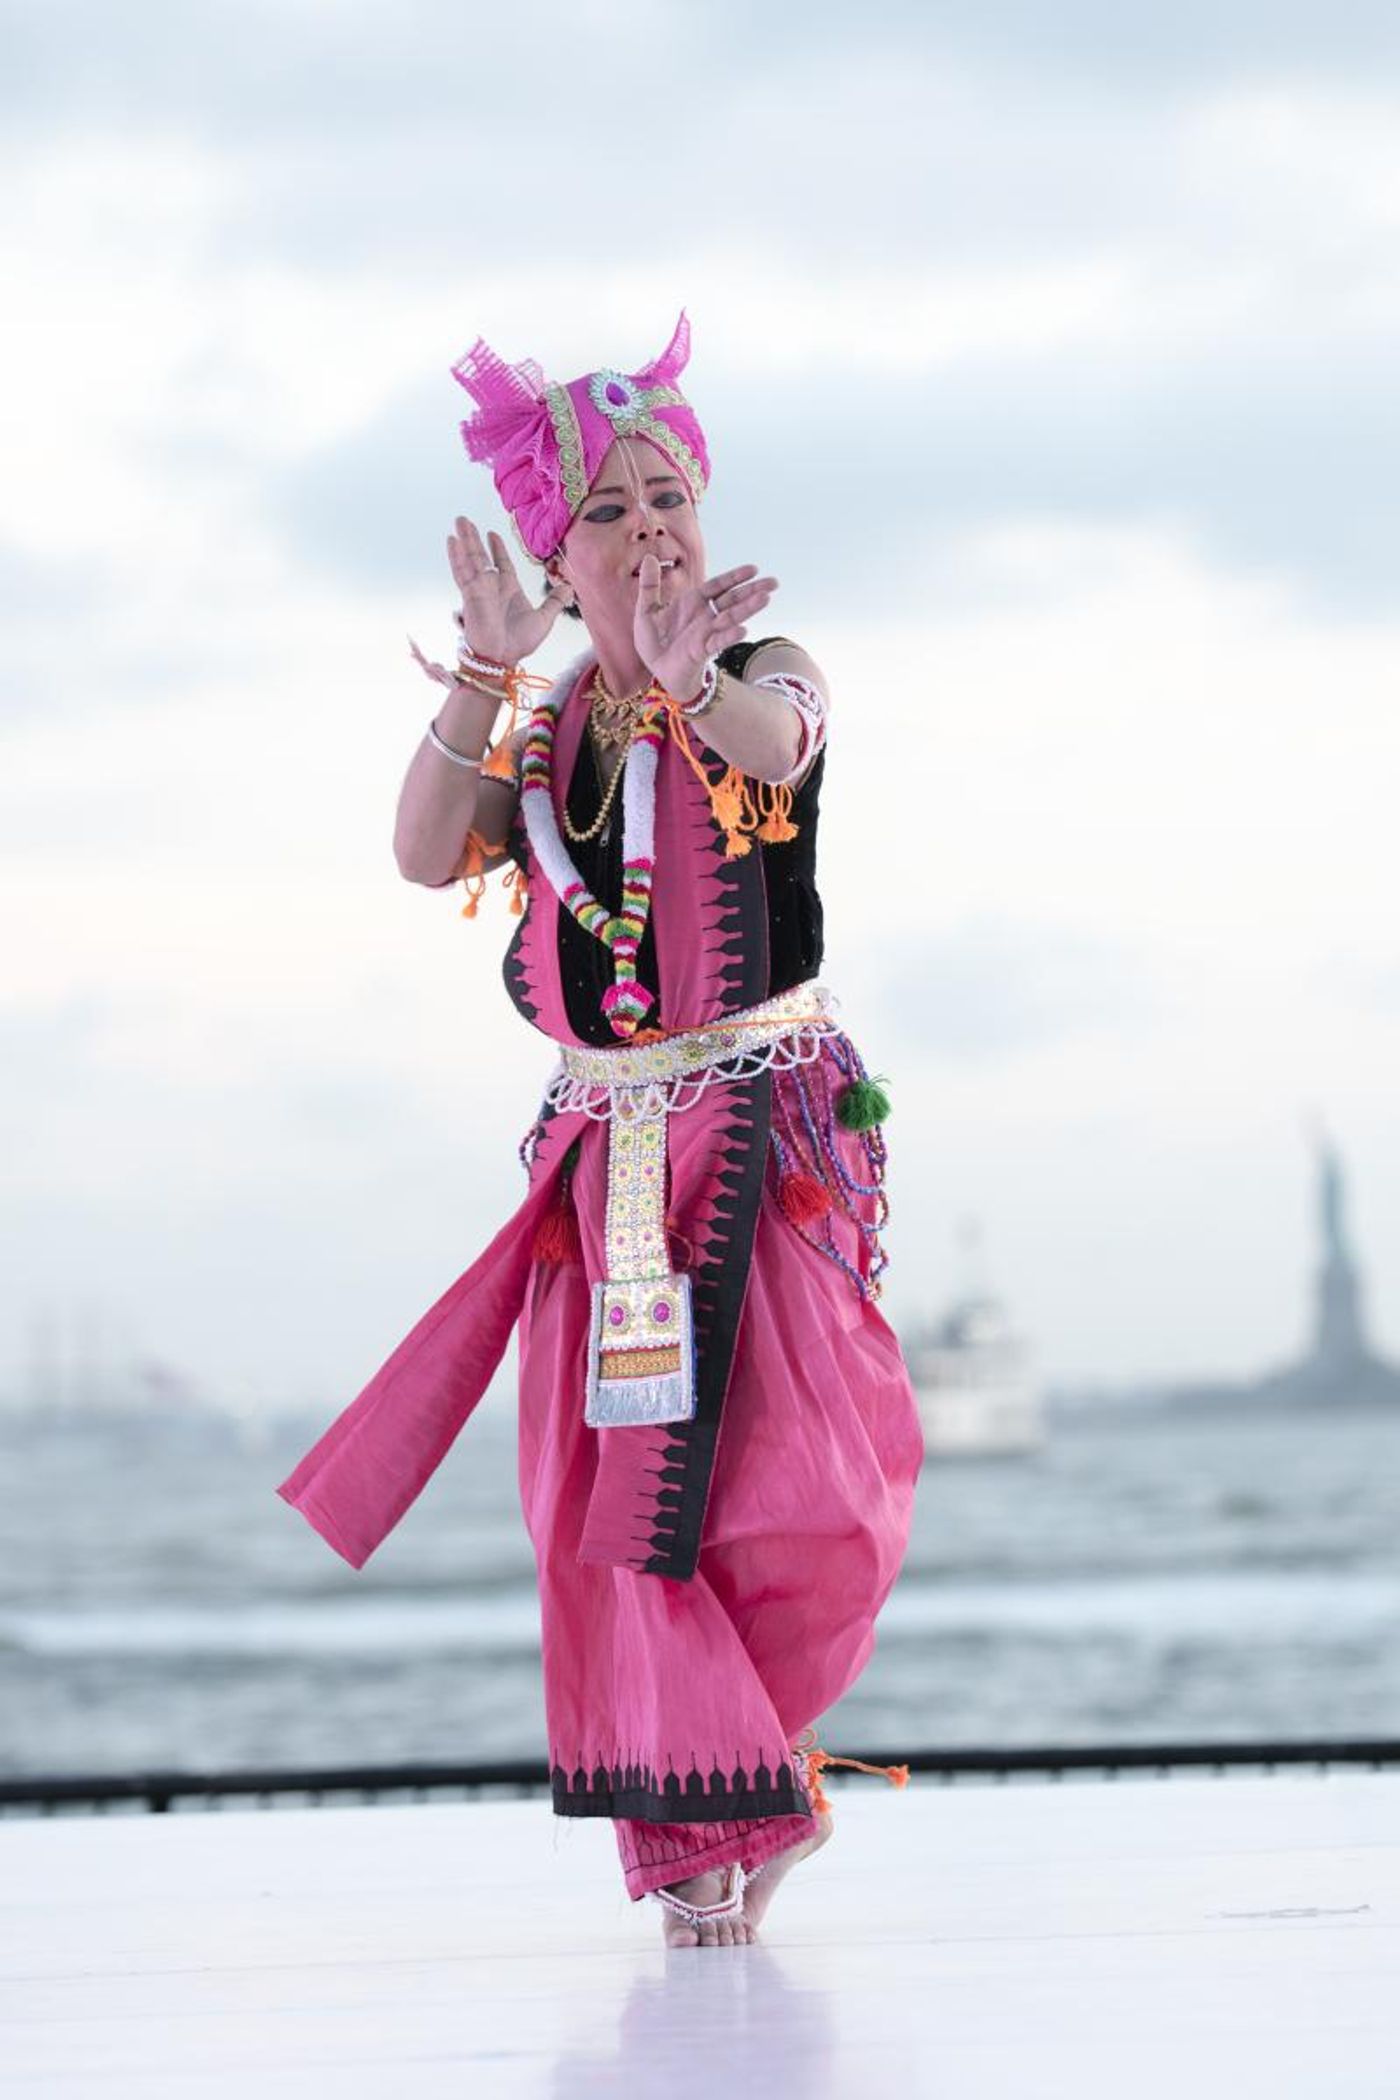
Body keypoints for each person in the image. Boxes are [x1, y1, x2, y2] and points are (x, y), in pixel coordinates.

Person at [277, 312, 925, 1949]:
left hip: (758, 1146)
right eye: (611, 510)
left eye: (669, 493)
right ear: (561, 566)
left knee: (801, 1492)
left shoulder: (767, 673)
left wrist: (698, 674)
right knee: (618, 1507)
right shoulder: (550, 728)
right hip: (604, 1171)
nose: (653, 525)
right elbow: (430, 853)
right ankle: (706, 1825)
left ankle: (756, 1767)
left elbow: (777, 749)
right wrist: (492, 672)